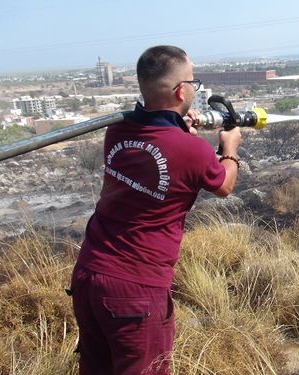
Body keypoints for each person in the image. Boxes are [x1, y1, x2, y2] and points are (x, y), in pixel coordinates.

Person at [69, 45, 241, 375]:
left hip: (90, 275)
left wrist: (180, 130)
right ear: (181, 91)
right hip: (135, 290)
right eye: (193, 82)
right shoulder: (190, 150)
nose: (194, 88)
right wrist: (229, 149)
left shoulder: (117, 131)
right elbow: (223, 186)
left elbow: (158, 151)